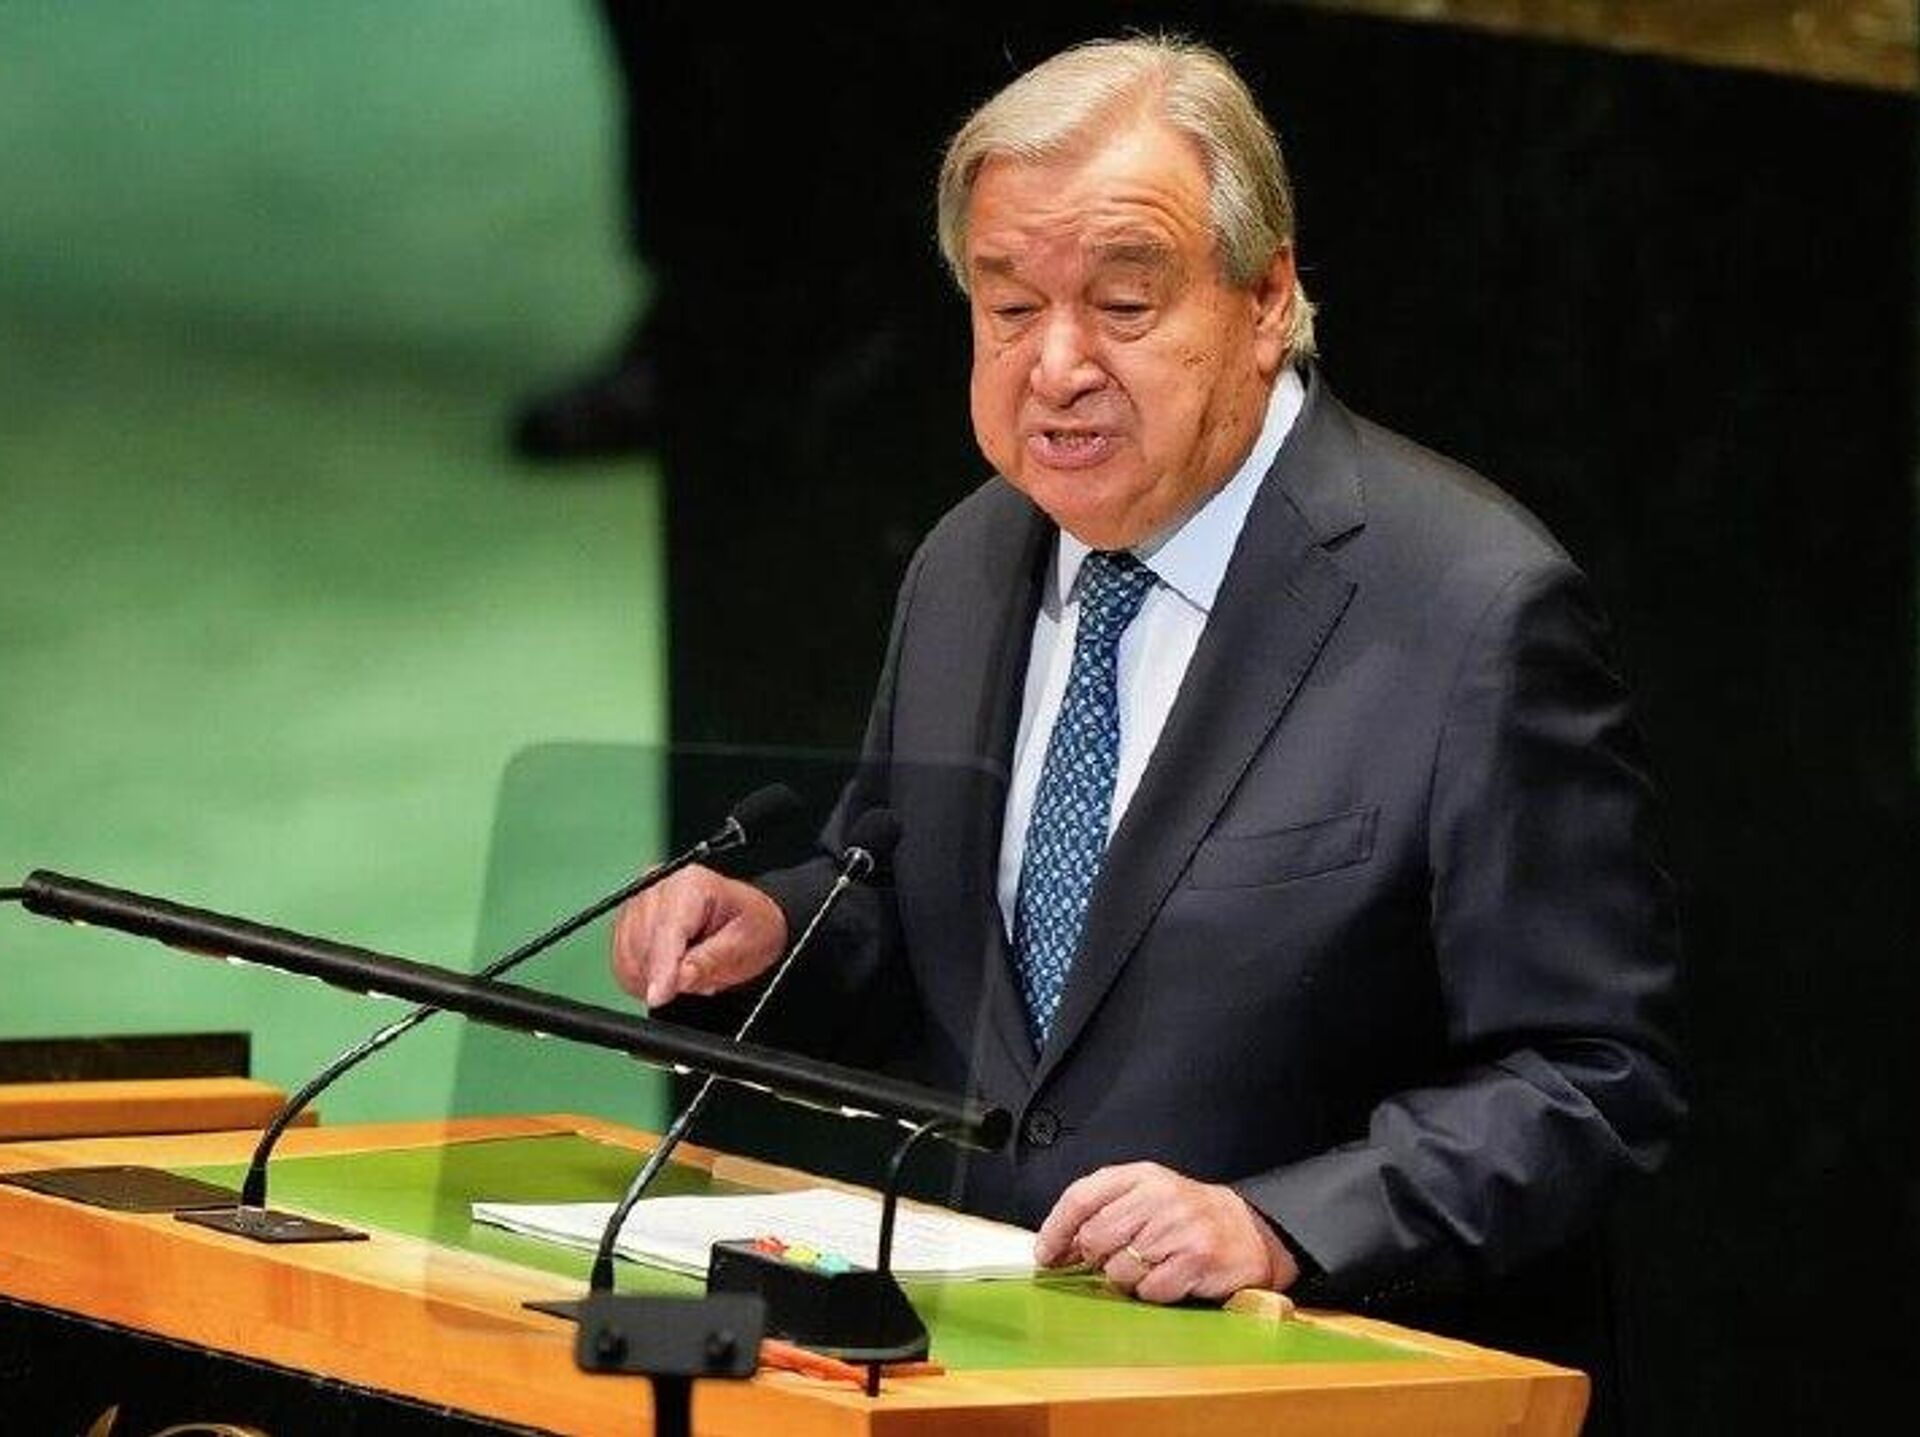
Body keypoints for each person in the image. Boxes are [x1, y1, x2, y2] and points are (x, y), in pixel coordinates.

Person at [611, 33, 1683, 1330]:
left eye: (1124, 307)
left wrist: (1278, 1224)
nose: (1057, 366)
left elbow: (1589, 1076)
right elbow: (916, 919)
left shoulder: (1471, 610)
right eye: (1011, 309)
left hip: (1326, 1375)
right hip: (999, 1352)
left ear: (1267, 298)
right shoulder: (968, 562)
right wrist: (774, 931)